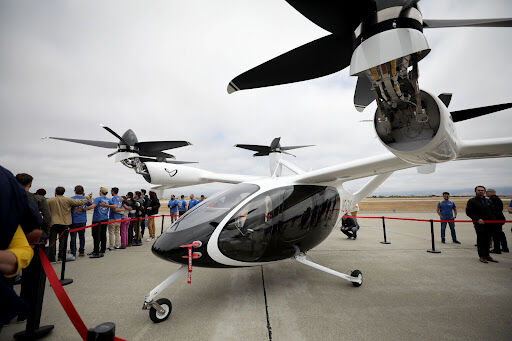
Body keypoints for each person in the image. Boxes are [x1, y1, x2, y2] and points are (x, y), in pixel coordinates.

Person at [47, 187, 92, 262]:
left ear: (55, 192)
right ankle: (61, 257)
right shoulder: (68, 200)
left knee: (53, 241)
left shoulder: (49, 200)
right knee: (63, 241)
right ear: (63, 192)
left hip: (54, 223)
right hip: (65, 223)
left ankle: (52, 258)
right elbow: (79, 203)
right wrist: (87, 197)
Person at [466, 186, 498, 264]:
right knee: (481, 240)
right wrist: (477, 219)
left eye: (482, 190)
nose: (481, 191)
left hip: (489, 223)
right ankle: (482, 256)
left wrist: (494, 221)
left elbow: (493, 211)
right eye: (479, 190)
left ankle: (487, 255)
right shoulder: (472, 201)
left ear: (484, 191)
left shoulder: (488, 201)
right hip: (479, 223)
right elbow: (469, 212)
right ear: (475, 191)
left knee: (488, 240)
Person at [70, 185, 92, 258]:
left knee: (73, 237)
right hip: (82, 220)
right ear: (82, 191)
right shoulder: (85, 199)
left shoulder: (72, 199)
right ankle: (81, 251)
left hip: (74, 220)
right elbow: (90, 205)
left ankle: (73, 252)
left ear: (75, 191)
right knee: (82, 236)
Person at [89, 187, 110, 258]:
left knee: (96, 235)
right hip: (105, 219)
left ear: (100, 191)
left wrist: (84, 209)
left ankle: (96, 251)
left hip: (97, 220)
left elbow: (93, 206)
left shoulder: (98, 198)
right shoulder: (107, 199)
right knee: (103, 235)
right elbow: (114, 205)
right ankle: (103, 249)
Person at [486, 189, 508, 253]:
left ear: (491, 192)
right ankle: (505, 248)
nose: (486, 193)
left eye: (487, 192)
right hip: (500, 218)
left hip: (495, 219)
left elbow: (491, 210)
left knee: (495, 234)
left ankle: (497, 249)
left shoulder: (492, 199)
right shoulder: (497, 199)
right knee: (500, 233)